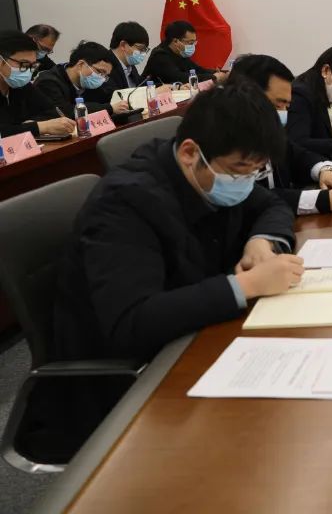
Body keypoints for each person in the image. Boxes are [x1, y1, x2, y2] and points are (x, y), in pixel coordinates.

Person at [29, 83, 303, 462]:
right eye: (240, 170)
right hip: (128, 383)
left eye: (255, 171)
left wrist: (261, 241)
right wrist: (244, 285)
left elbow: (271, 205)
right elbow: (133, 322)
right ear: (190, 152)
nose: (245, 182)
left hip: (192, 340)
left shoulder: (207, 171)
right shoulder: (125, 205)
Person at [229, 54, 332, 215]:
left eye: (287, 106)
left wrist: (324, 170)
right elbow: (250, 198)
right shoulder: (224, 136)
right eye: (278, 105)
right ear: (245, 95)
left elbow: (295, 153)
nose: (283, 113)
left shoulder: (266, 128)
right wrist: (325, 200)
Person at [0, 30, 74, 138]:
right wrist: (40, 127)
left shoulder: (22, 86)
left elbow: (54, 112)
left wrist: (29, 125)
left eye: (33, 66)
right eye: (24, 64)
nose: (28, 71)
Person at [32, 41, 132, 119]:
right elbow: (66, 112)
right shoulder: (48, 82)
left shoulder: (90, 81)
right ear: (81, 64)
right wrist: (110, 108)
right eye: (100, 72)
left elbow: (111, 96)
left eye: (105, 75)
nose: (102, 78)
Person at [143, 20, 226, 87]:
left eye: (194, 42)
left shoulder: (180, 53)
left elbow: (197, 70)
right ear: (176, 41)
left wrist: (221, 73)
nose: (193, 46)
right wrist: (214, 77)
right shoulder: (160, 56)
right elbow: (180, 78)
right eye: (190, 43)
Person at [95, 21, 150, 102]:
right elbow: (115, 97)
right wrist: (148, 93)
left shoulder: (130, 65)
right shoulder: (105, 65)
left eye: (145, 50)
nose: (143, 54)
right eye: (140, 49)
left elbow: (140, 86)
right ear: (123, 45)